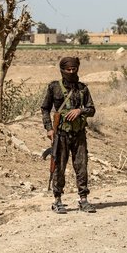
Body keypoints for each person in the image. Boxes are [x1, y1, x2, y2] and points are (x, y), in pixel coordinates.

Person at [41, 56, 96, 214]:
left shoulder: (83, 88)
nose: (71, 72)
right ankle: (57, 200)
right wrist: (49, 129)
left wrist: (80, 110)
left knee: (81, 166)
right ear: (62, 70)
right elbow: (45, 108)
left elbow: (91, 109)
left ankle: (83, 199)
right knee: (59, 167)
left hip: (78, 134)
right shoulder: (54, 87)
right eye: (68, 70)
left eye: (74, 69)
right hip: (61, 134)